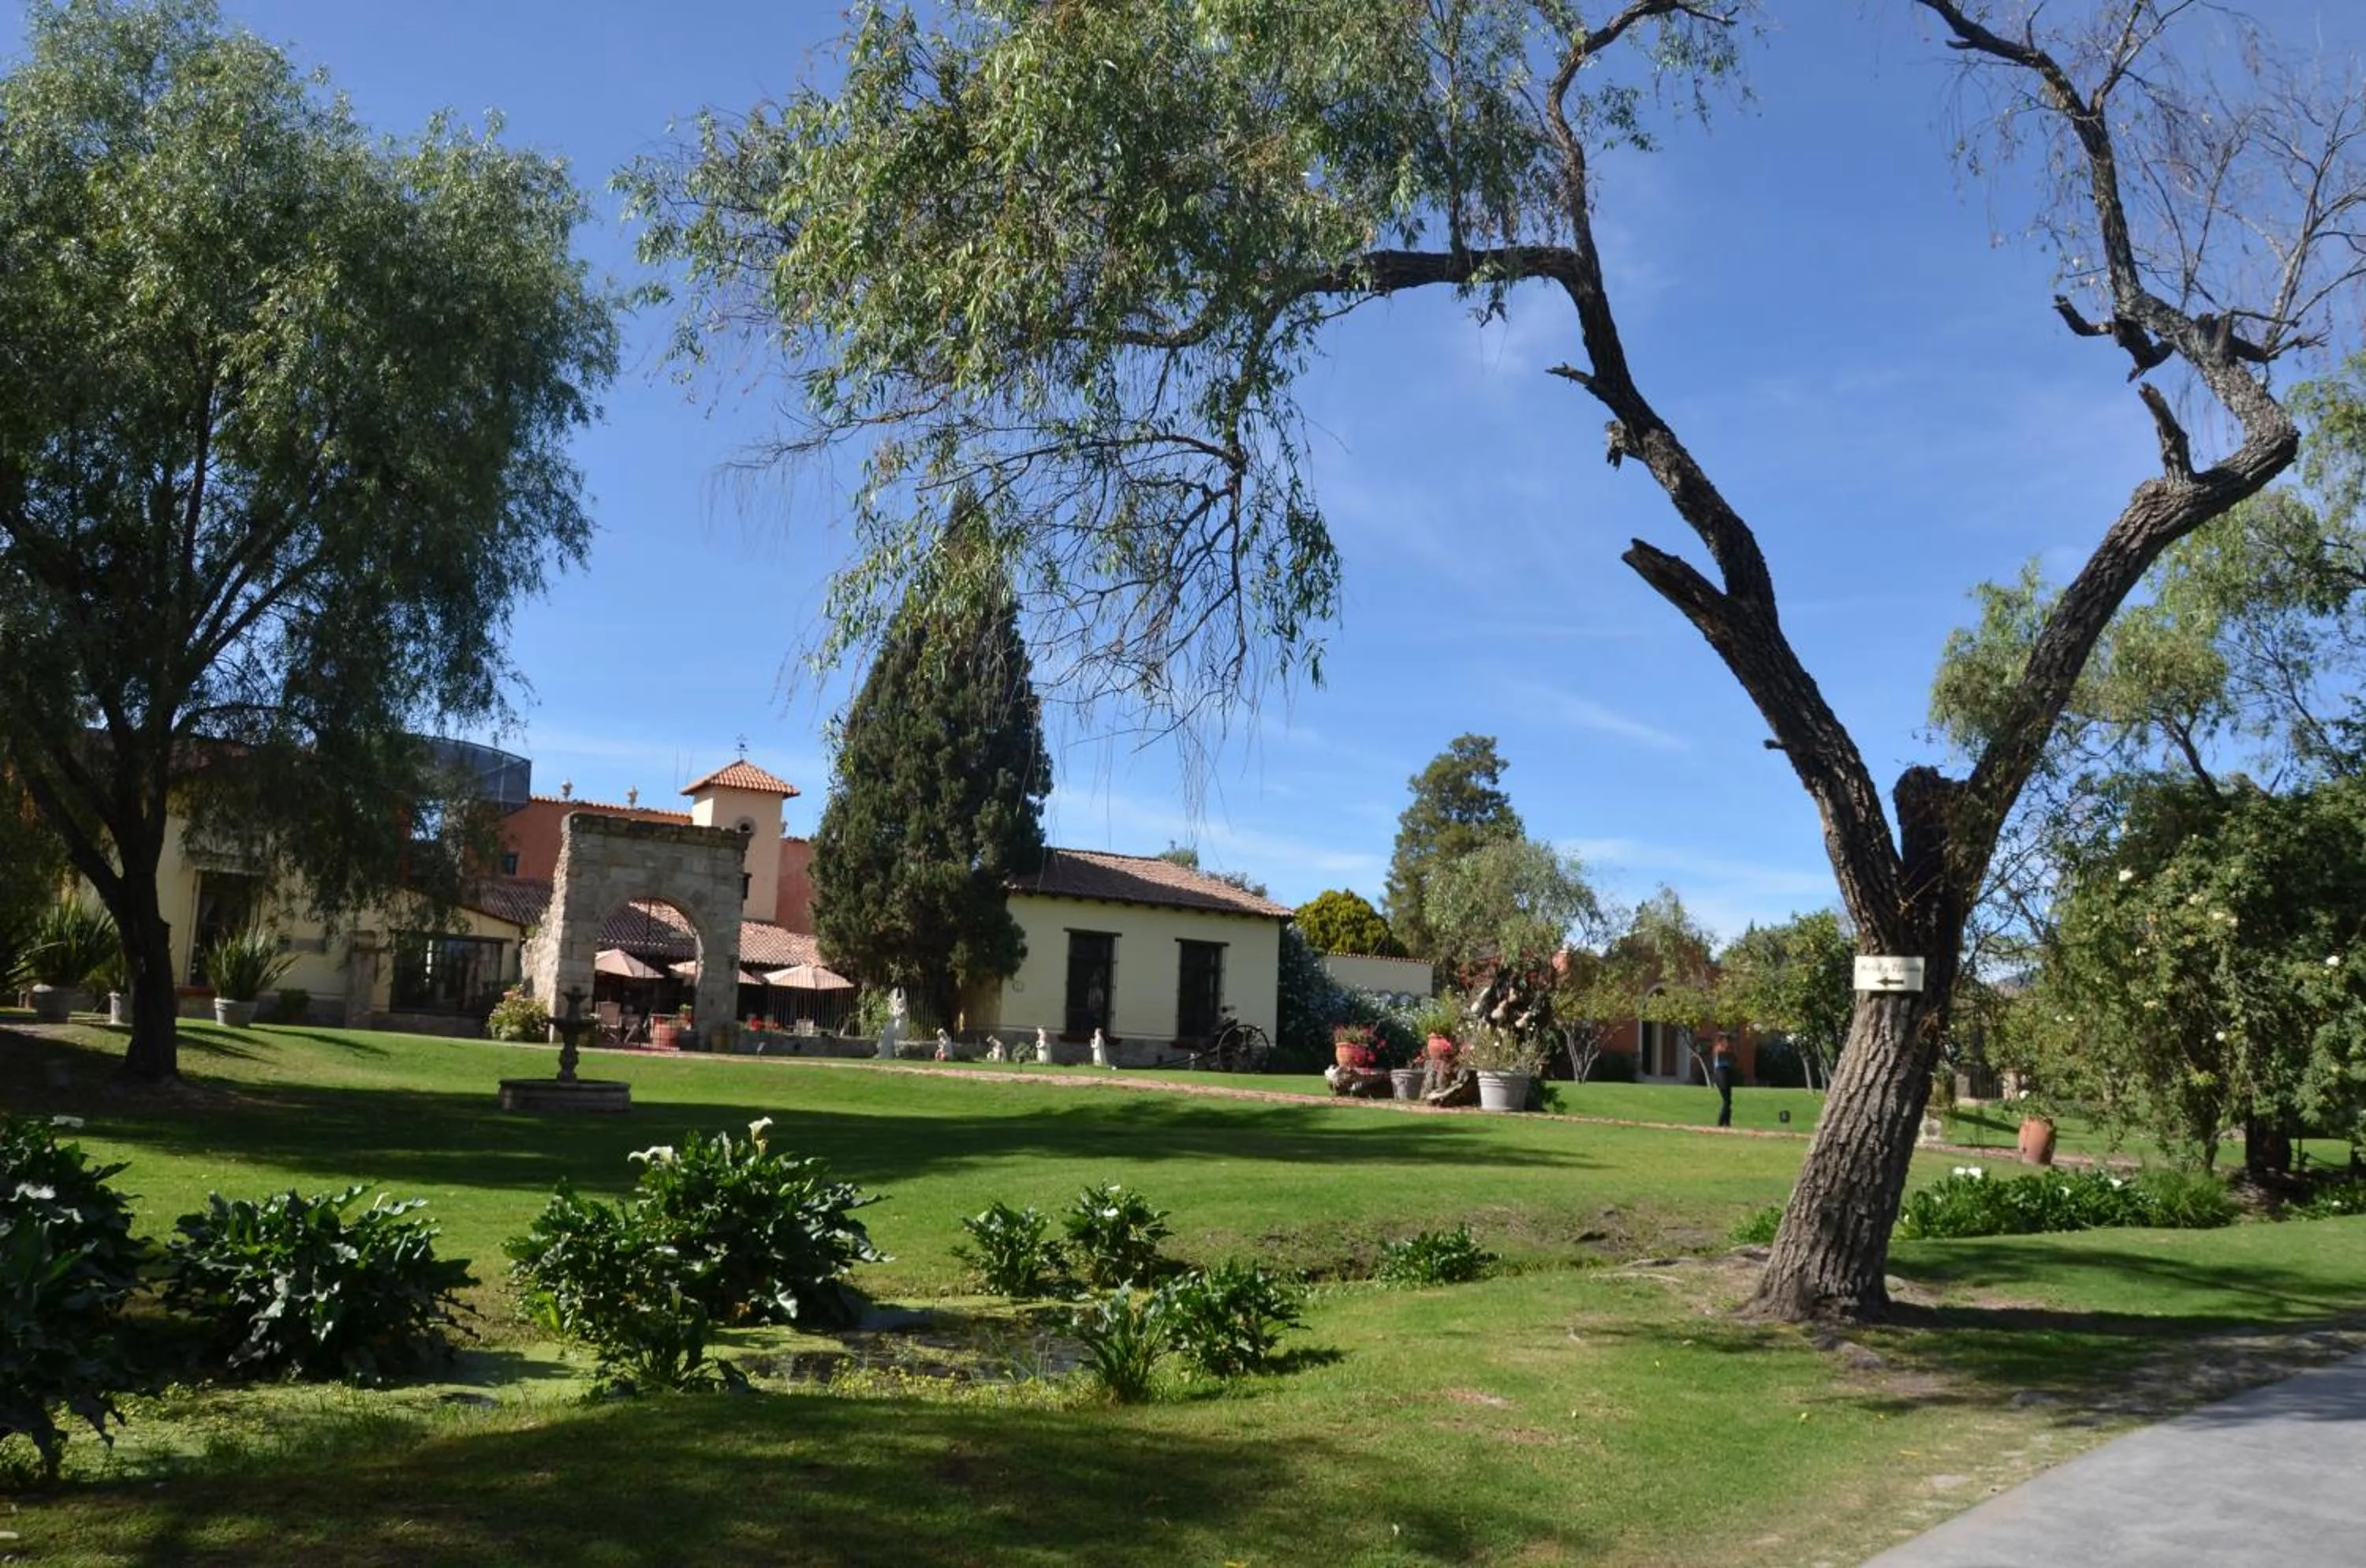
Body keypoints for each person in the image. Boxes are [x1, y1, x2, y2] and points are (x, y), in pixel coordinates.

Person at [1710, 1032, 1737, 1128]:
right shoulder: (1718, 1049)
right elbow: (1725, 1054)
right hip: (1720, 1073)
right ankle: (1720, 1123)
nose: (1727, 1041)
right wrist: (1731, 1050)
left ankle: (1727, 1122)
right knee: (1726, 1100)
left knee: (1728, 1100)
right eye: (1725, 1039)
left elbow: (1733, 1059)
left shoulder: (1729, 1049)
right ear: (1720, 1040)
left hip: (1727, 1073)